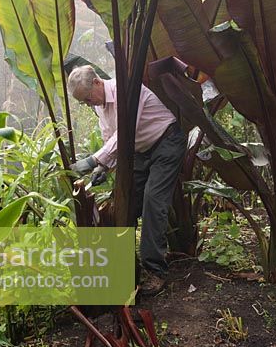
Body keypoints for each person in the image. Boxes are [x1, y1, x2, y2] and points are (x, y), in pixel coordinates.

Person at [67, 65, 187, 295]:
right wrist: (103, 166)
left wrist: (92, 160)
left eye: (87, 98)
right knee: (127, 202)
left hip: (167, 142)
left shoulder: (128, 91)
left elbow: (125, 132)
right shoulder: (100, 107)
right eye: (83, 102)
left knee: (153, 201)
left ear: (97, 83)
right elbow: (111, 141)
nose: (88, 103)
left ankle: (155, 271)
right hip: (141, 152)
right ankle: (124, 265)